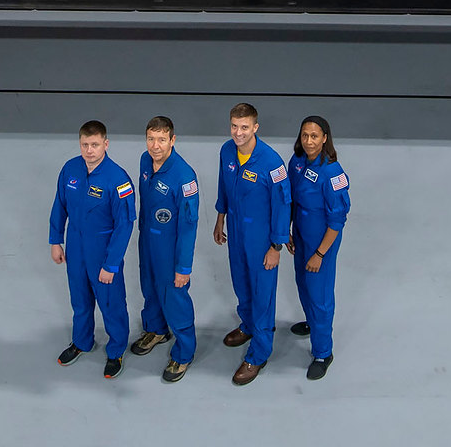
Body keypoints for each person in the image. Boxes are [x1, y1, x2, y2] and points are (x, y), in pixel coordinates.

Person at [50, 120, 136, 378]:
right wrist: (56, 240)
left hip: (103, 249)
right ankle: (81, 341)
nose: (89, 150)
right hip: (75, 246)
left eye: (95, 144)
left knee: (111, 303)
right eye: (85, 145)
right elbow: (59, 206)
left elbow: (125, 226)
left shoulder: (118, 180)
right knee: (80, 299)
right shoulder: (70, 170)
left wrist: (111, 264)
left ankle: (116, 349)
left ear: (106, 144)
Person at [212, 101, 290, 385]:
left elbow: (283, 205)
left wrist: (276, 246)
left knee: (262, 293)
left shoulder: (272, 163)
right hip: (235, 228)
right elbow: (224, 185)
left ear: (255, 127)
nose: (238, 132)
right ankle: (247, 325)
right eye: (234, 126)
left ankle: (258, 353)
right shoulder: (226, 152)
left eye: (244, 127)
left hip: (261, 237)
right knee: (241, 282)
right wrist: (220, 218)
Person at [129, 115, 200, 382]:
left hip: (171, 248)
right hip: (148, 240)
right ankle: (157, 330)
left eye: (161, 139)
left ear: (172, 140)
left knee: (175, 296)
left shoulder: (184, 177)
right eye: (151, 138)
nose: (155, 145)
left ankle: (184, 352)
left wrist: (183, 267)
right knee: (150, 288)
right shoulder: (145, 161)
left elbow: (189, 227)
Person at [287, 114, 352, 380]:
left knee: (320, 295)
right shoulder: (297, 162)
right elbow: (291, 199)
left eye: (315, 136)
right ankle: (313, 323)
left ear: (325, 138)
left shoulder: (333, 173)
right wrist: (288, 231)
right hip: (301, 236)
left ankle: (324, 352)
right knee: (302, 283)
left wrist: (320, 253)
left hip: (321, 242)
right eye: (305, 135)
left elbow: (337, 220)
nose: (309, 141)